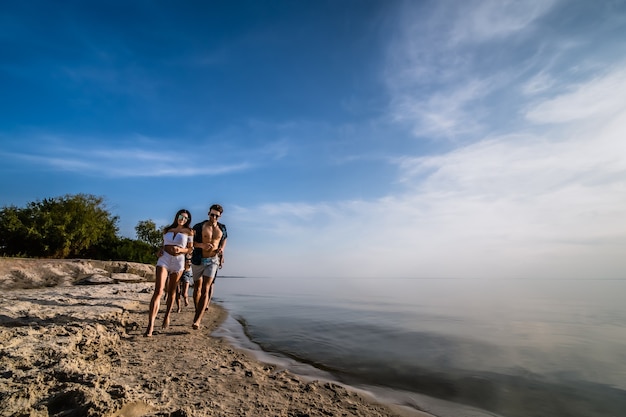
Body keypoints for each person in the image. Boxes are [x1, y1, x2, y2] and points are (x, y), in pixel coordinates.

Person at [144, 209, 194, 337]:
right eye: (180, 216)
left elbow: (189, 249)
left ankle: (167, 315)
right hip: (164, 259)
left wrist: (181, 249)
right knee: (158, 291)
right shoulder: (167, 230)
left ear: (188, 220)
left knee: (172, 292)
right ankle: (151, 325)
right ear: (176, 216)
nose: (182, 219)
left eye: (185, 218)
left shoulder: (189, 232)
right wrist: (159, 250)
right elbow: (163, 244)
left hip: (178, 262)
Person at [191, 204, 227, 329]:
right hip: (198, 260)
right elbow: (190, 243)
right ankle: (197, 310)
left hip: (213, 261)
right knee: (197, 289)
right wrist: (202, 245)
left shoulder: (222, 228)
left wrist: (221, 249)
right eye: (212, 214)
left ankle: (198, 320)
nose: (214, 217)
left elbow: (224, 239)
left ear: (220, 216)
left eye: (216, 215)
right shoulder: (199, 226)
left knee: (206, 289)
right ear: (208, 214)